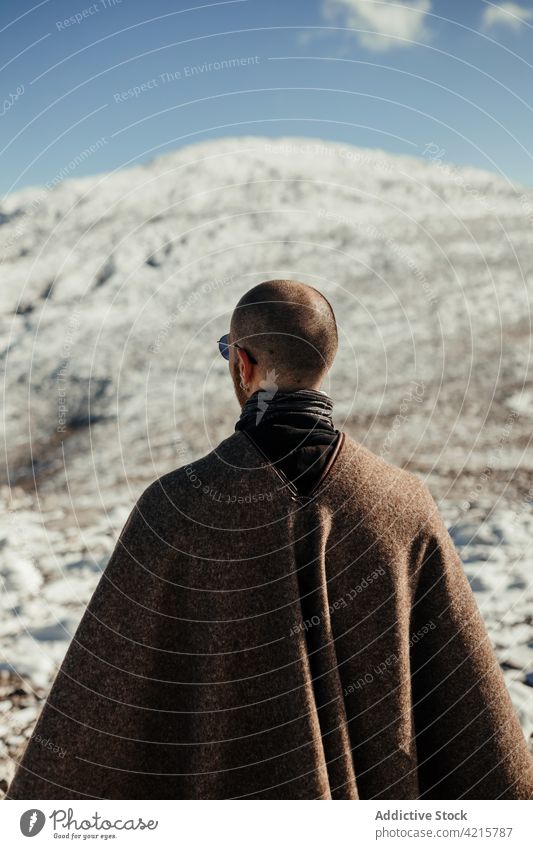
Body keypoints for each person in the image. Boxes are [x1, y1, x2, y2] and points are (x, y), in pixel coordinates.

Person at [8, 279, 533, 800]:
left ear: (242, 364)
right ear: (327, 363)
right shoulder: (404, 505)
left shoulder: (175, 507)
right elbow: (474, 722)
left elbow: (94, 715)